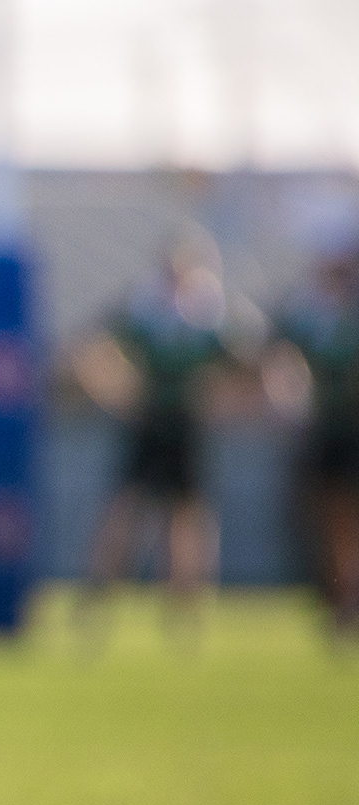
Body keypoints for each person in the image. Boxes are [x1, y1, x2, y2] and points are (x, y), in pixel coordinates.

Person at [71, 228, 253, 643]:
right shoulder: (144, 311)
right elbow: (92, 348)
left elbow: (245, 365)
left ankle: (184, 608)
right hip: (148, 425)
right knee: (124, 514)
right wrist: (119, 392)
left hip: (184, 427)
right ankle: (97, 599)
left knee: (187, 520)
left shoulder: (209, 315)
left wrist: (218, 401)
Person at [267, 243, 359, 642]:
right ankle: (343, 601)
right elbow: (277, 353)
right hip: (330, 434)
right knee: (333, 518)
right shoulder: (312, 316)